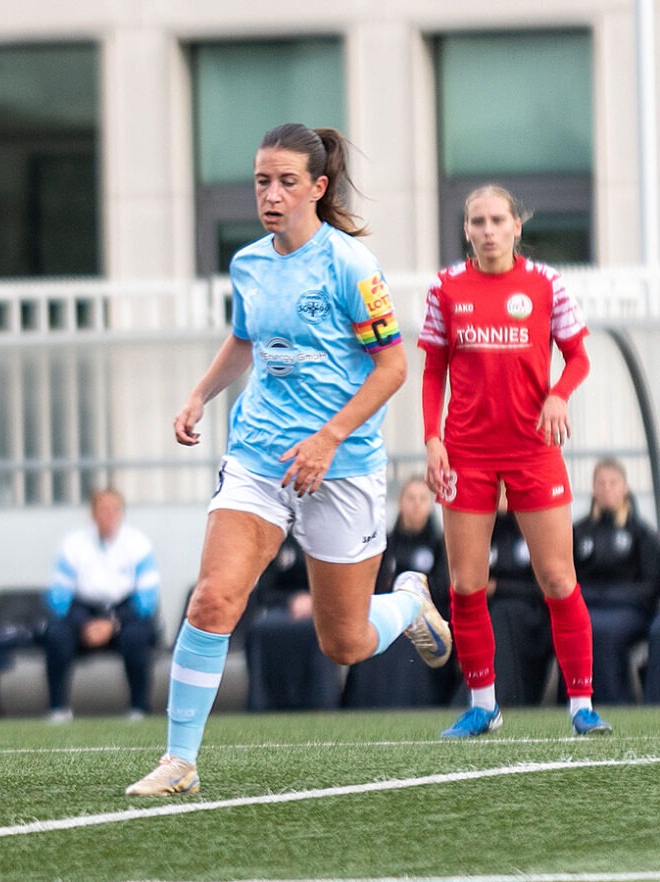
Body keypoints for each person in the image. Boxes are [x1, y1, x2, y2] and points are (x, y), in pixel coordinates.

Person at [126, 123, 450, 798]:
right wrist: (200, 394)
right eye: (261, 181)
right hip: (257, 457)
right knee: (213, 599)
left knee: (345, 642)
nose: (270, 195)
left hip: (343, 467)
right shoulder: (249, 263)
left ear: (318, 187)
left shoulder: (351, 267)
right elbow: (244, 339)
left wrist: (329, 438)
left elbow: (392, 368)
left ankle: (410, 605)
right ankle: (179, 760)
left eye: (286, 182)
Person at [420, 184, 612, 737]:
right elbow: (433, 370)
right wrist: (433, 439)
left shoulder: (546, 284)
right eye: (476, 221)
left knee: (557, 578)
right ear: (466, 230)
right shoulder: (446, 288)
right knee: (466, 584)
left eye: (497, 220)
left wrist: (557, 395)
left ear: (516, 227)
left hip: (533, 449)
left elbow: (577, 358)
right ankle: (484, 704)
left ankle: (581, 706)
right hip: (466, 452)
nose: (487, 230)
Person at [42, 488, 160, 723]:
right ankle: (58, 708)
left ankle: (139, 708)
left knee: (138, 636)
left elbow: (147, 599)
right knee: (56, 635)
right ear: (93, 513)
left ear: (121, 513)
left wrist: (112, 624)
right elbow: (58, 597)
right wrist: (85, 624)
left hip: (124, 615)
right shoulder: (73, 544)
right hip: (84, 614)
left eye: (113, 509)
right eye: (102, 509)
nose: (108, 515)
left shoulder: (139, 544)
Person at [343, 476, 457, 707]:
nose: (416, 504)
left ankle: (419, 704)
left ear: (430, 504)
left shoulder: (441, 544)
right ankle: (366, 705)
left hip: (426, 619)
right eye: (410, 498)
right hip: (389, 616)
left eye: (422, 498)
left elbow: (444, 587)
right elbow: (372, 585)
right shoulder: (384, 545)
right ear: (400, 503)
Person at [573, 459, 660, 703]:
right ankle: (578, 701)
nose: (607, 489)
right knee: (581, 627)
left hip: (628, 609)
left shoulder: (641, 533)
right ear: (593, 488)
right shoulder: (579, 532)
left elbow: (650, 585)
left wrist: (612, 595)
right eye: (601, 483)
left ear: (624, 488)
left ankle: (618, 703)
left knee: (605, 629)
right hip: (589, 607)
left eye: (613, 483)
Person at [244, 535, 343, 711]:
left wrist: (316, 600)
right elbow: (264, 590)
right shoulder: (278, 540)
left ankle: (322, 704)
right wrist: (292, 599)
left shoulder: (332, 537)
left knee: (321, 632)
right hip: (283, 609)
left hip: (324, 609)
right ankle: (261, 704)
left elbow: (343, 584)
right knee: (260, 629)